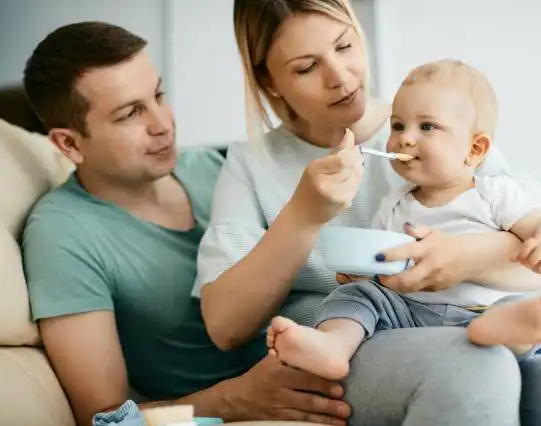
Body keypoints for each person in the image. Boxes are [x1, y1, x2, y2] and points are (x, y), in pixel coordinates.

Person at [195, 1, 541, 425]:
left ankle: (497, 332)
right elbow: (226, 327)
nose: (340, 78)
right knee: (458, 364)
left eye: (345, 47)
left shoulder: (443, 122)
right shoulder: (251, 164)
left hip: (477, 316)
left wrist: (461, 258)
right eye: (307, 68)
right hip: (375, 341)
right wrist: (304, 215)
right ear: (270, 81)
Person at [21, 22, 353, 426]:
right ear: (69, 143)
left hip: (335, 354)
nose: (162, 124)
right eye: (130, 114)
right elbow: (105, 417)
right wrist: (235, 399)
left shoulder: (217, 168)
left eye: (158, 95)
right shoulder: (61, 235)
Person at [265, 59, 541, 380]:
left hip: (478, 311)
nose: (405, 138)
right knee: (353, 297)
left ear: (474, 148)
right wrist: (362, 275)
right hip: (409, 315)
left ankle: (501, 333)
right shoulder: (394, 203)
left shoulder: (494, 194)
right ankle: (335, 344)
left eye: (427, 126)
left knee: (513, 306)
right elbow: (384, 270)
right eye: (398, 126)